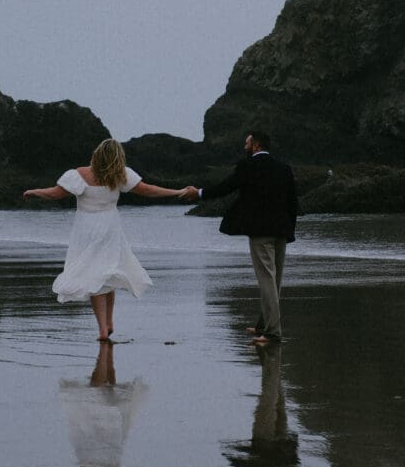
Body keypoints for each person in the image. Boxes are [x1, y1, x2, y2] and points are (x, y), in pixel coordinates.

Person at [24, 138, 192, 341]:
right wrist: (177, 192)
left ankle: (103, 329)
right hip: (110, 228)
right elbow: (148, 190)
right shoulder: (121, 175)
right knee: (107, 272)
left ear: (96, 155)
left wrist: (35, 192)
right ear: (118, 157)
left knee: (96, 276)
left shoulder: (79, 175)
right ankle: (109, 322)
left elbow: (54, 194)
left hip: (86, 229)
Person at [183, 131, 298, 344]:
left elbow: (227, 187)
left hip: (260, 231)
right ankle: (264, 325)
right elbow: (293, 202)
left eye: (246, 142)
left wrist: (199, 193)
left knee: (267, 279)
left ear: (255, 145)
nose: (244, 146)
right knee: (275, 280)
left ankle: (272, 333)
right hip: (282, 231)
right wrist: (290, 230)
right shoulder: (284, 168)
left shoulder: (248, 167)